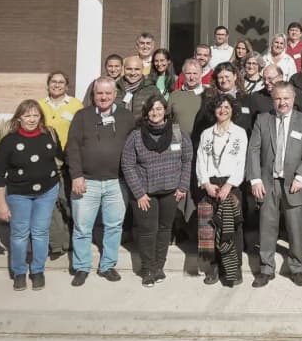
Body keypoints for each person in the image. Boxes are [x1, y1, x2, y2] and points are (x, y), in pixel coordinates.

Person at [66, 77, 135, 286]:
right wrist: (76, 175)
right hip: (86, 182)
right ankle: (81, 267)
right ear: (93, 95)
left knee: (114, 226)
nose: (103, 97)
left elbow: (135, 146)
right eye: (99, 93)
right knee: (82, 227)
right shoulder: (82, 116)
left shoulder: (126, 117)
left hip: (116, 182)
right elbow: (72, 148)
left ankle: (107, 265)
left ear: (115, 94)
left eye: (108, 93)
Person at [247, 82, 302, 287]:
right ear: (272, 99)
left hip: (294, 183)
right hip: (268, 182)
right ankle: (266, 269)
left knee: (295, 229)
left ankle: (297, 268)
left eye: (286, 98)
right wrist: (255, 179)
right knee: (267, 227)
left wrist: (301, 176)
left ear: (293, 99)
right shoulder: (263, 119)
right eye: (278, 98)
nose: (282, 102)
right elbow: (253, 150)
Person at [121, 95, 192, 287]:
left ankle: (159, 266)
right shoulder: (136, 136)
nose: (155, 113)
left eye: (159, 109)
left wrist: (183, 185)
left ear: (165, 111)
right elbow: (127, 165)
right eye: (152, 109)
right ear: (146, 112)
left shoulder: (177, 132)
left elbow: (187, 159)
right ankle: (147, 269)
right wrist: (139, 193)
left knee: (164, 230)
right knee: (147, 231)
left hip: (171, 191)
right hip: (145, 194)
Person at [0, 100, 61, 291]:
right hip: (19, 194)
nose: (32, 119)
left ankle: (38, 270)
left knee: (40, 232)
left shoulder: (49, 135)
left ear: (41, 117)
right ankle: (19, 272)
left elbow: (61, 157)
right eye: (27, 115)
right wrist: (1, 205)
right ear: (19, 118)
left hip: (46, 192)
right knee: (20, 234)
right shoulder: (9, 142)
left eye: (35, 115)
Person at [196, 94, 249, 286]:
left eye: (226, 107)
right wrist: (206, 184)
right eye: (219, 107)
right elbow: (201, 160)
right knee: (212, 228)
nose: (223, 110)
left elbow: (242, 161)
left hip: (231, 185)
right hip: (211, 184)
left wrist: (229, 185)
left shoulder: (239, 133)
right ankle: (215, 266)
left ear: (232, 109)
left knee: (232, 228)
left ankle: (235, 268)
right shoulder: (206, 134)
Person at [39, 71, 83, 257]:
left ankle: (71, 239)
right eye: (53, 82)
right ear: (48, 85)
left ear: (67, 85)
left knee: (67, 200)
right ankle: (57, 243)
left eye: (61, 82)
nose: (57, 85)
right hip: (45, 161)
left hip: (68, 160)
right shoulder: (39, 105)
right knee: (50, 202)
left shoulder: (75, 105)